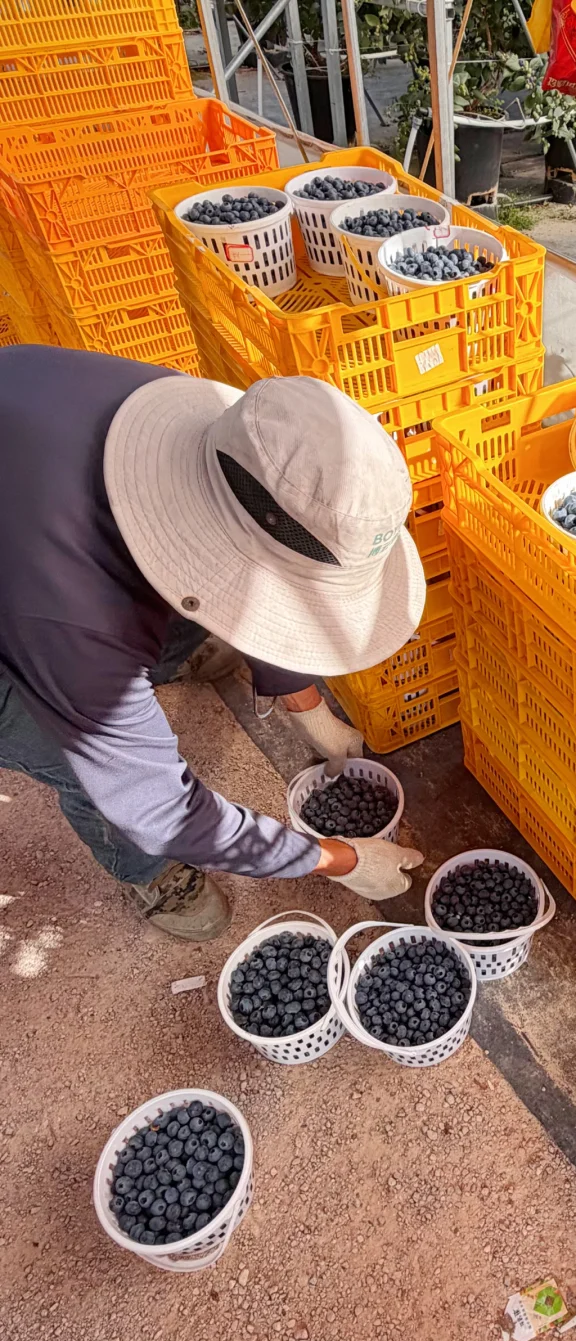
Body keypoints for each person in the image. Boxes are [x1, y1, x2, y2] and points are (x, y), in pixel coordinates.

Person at [0, 345, 427, 941]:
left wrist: (307, 707)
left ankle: (167, 650)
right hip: (31, 598)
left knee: (193, 603)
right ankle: (145, 872)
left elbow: (254, 547)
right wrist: (339, 860)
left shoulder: (217, 434)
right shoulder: (77, 621)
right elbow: (158, 808)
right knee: (70, 756)